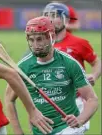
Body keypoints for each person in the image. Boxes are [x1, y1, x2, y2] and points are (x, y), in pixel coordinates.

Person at [5, 16, 98, 135]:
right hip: (40, 131)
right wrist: (18, 132)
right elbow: (9, 100)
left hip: (68, 128)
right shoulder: (23, 67)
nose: (35, 45)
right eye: (31, 40)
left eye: (39, 39)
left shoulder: (69, 63)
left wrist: (80, 120)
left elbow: (92, 99)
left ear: (52, 37)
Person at [43, 2, 101, 131]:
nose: (49, 19)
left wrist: (94, 75)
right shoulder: (40, 46)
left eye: (54, 15)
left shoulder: (79, 43)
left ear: (66, 20)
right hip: (51, 103)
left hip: (77, 102)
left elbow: (97, 62)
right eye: (46, 15)